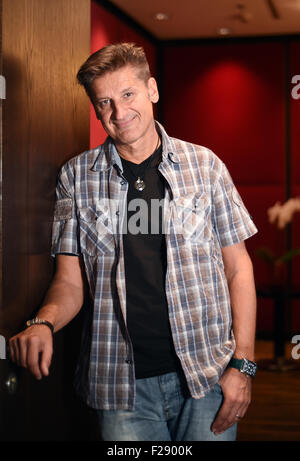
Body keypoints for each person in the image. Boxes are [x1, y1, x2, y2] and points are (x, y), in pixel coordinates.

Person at [9, 42, 258, 441]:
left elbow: (238, 268)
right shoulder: (75, 178)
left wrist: (243, 364)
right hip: (120, 387)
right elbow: (70, 282)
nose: (119, 113)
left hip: (207, 375)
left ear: (152, 90)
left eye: (128, 95)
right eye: (104, 102)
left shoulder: (206, 167)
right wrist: (43, 322)